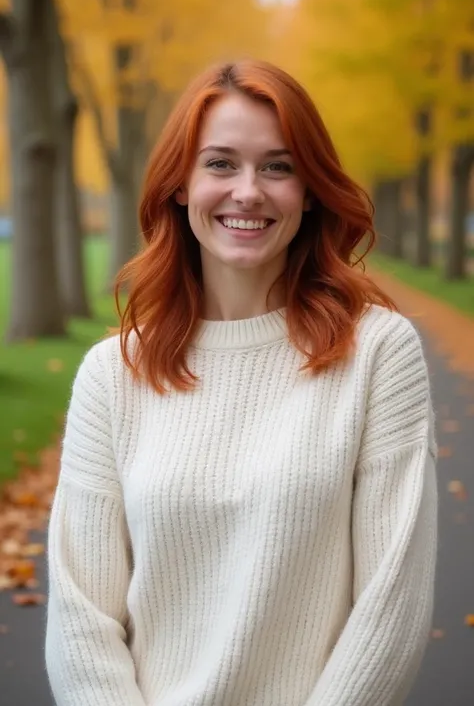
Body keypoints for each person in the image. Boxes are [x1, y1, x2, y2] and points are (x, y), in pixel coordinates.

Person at [45, 59, 437, 706]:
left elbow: (390, 602)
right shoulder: (111, 375)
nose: (248, 191)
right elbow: (80, 616)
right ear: (180, 185)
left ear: (310, 190)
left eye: (278, 167)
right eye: (221, 164)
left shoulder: (378, 354)